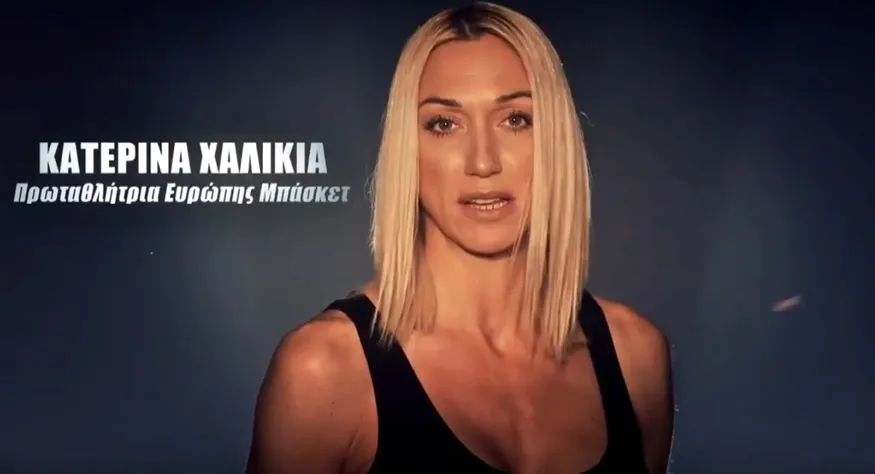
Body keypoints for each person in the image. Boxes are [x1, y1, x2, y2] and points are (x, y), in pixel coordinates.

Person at [246, 3, 674, 473]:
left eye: (516, 119)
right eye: (444, 124)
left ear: (556, 139)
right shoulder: (322, 371)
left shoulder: (636, 356)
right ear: (408, 150)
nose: (483, 161)